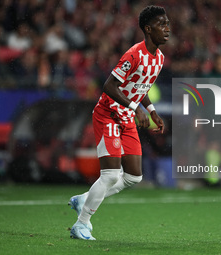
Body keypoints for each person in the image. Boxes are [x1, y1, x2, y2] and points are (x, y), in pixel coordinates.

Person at [69, 5, 170, 240]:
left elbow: (141, 86)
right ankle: (81, 224)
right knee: (111, 175)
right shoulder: (134, 54)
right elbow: (109, 86)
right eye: (162, 24)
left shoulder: (160, 58)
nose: (167, 29)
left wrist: (151, 110)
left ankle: (84, 199)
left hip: (127, 116)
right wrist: (135, 109)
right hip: (108, 114)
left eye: (168, 24)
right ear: (148, 28)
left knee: (134, 177)